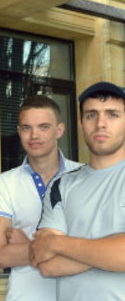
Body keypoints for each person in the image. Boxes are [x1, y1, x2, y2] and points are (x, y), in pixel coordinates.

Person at [30, 82, 125, 300]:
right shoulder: (61, 186)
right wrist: (110, 251)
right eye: (91, 115)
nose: (100, 124)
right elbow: (46, 264)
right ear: (81, 123)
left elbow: (50, 247)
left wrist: (56, 243)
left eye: (112, 114)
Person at [0, 95, 81, 301]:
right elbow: (2, 256)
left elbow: (98, 247)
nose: (34, 135)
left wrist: (29, 246)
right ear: (19, 131)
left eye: (44, 127)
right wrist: (70, 246)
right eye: (26, 127)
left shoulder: (84, 177)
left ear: (59, 130)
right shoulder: (5, 183)